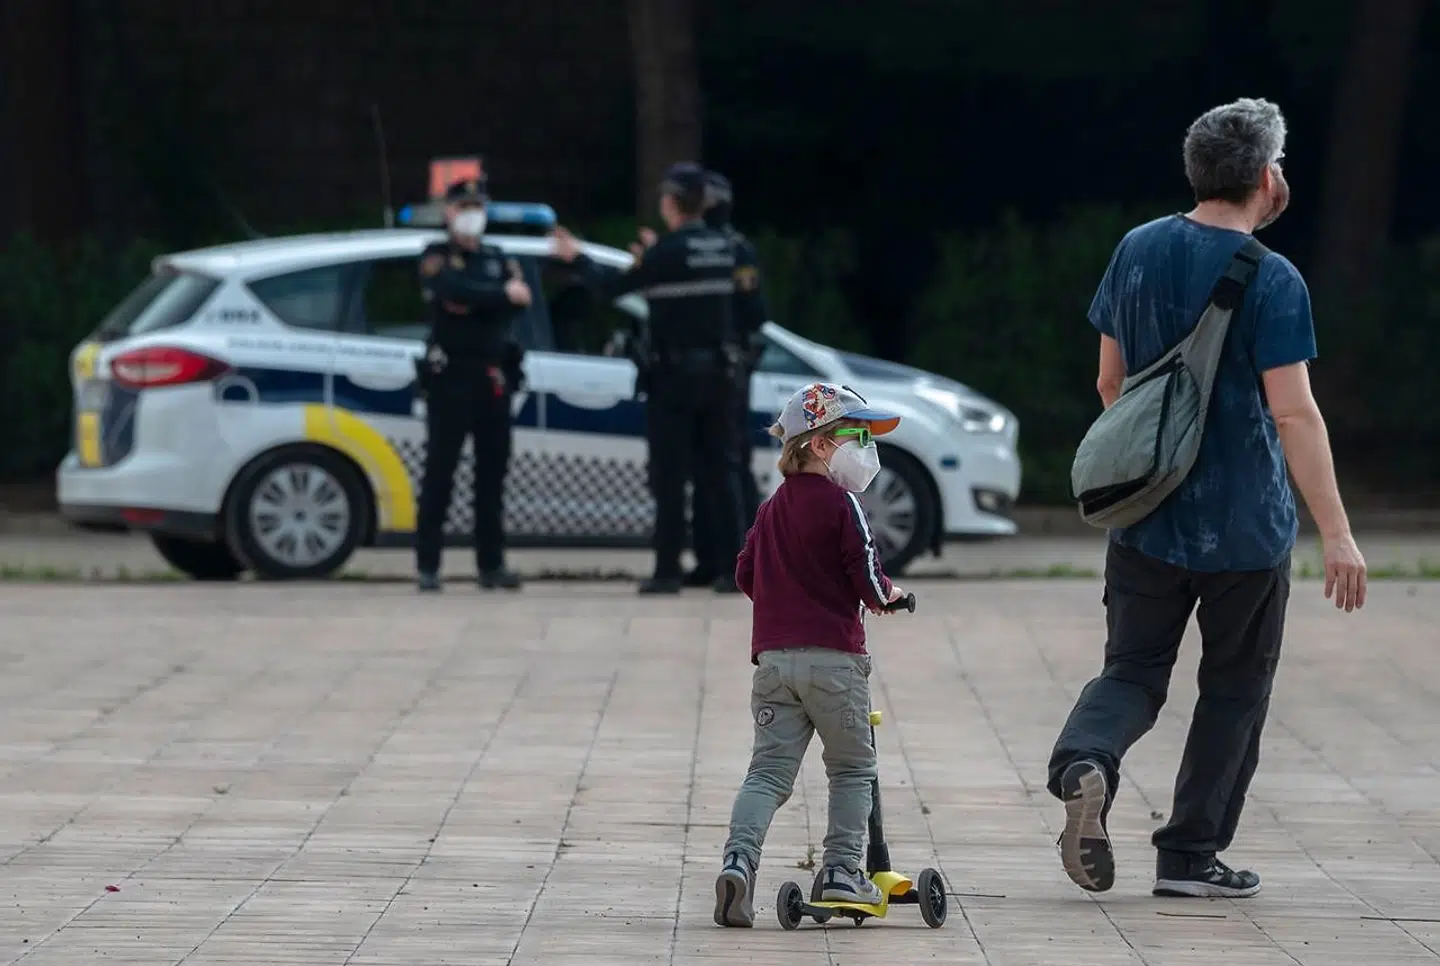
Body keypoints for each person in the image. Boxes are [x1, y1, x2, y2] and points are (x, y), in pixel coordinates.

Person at [1048, 98, 1368, 900]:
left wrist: (1152, 469)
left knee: (1132, 670)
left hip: (1146, 517)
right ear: (1267, 176)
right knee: (1233, 688)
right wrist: (1336, 533)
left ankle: (1086, 761)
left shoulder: (1137, 249)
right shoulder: (1274, 276)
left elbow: (1110, 382)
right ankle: (1190, 856)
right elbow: (1292, 411)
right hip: (1247, 529)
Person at [712, 382, 908, 928]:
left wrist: (784, 604)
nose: (868, 447)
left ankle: (739, 862)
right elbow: (867, 576)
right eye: (859, 436)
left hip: (774, 663)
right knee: (851, 768)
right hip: (835, 664)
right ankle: (845, 870)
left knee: (769, 772)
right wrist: (888, 597)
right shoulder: (843, 504)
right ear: (820, 445)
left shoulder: (771, 509)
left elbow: (745, 573)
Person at [550, 162, 748, 596]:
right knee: (722, 474)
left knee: (670, 475)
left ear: (672, 204)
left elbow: (614, 288)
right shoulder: (723, 248)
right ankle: (734, 570)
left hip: (674, 378)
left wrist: (577, 258)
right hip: (720, 375)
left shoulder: (665, 254)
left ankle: (667, 571)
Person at [413, 174, 532, 593]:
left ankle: (491, 565)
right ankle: (428, 566)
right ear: (448, 213)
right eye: (464, 208)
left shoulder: (498, 256)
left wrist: (481, 298)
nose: (471, 216)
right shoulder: (435, 255)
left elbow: (515, 300)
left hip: (493, 377)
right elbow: (451, 290)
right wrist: (498, 295)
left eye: (477, 208)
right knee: (440, 474)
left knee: (492, 476)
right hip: (451, 379)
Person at [684, 169, 768, 588]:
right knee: (702, 467)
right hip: (703, 371)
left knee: (728, 466)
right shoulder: (695, 249)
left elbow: (754, 313)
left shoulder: (735, 250)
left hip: (729, 370)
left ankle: (736, 561)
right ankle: (707, 558)